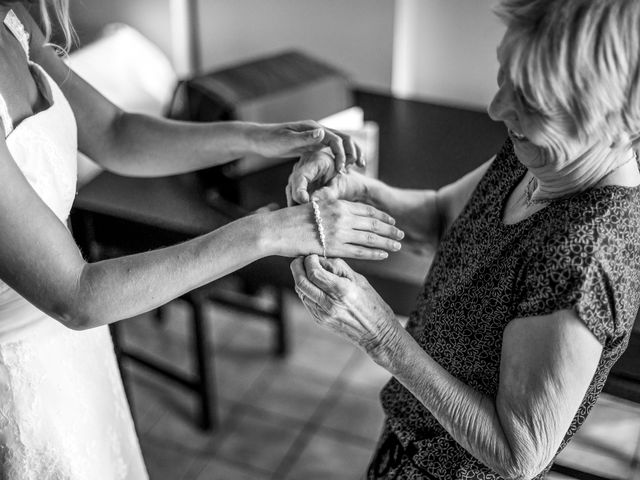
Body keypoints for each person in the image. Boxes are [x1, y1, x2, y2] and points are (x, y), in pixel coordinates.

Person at [0, 1, 407, 478]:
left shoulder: (14, 22)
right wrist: (268, 230)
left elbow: (115, 133)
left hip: (77, 354)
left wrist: (259, 137)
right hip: (20, 365)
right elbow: (76, 296)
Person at [288, 0, 640, 478]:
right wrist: (361, 191)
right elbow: (441, 218)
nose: (498, 109)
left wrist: (380, 334)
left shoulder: (584, 257)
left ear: (619, 125)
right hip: (407, 447)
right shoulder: (541, 157)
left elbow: (519, 455)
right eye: (506, 76)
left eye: (531, 102)